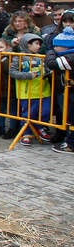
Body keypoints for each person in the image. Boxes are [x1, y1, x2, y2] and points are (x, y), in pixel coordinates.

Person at [9, 33, 52, 146]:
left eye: (39, 44)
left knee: (46, 111)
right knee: (28, 114)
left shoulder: (41, 57)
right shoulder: (19, 57)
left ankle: (39, 126)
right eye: (36, 44)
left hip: (43, 90)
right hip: (27, 92)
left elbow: (47, 69)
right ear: (27, 44)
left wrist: (48, 73)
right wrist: (27, 75)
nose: (39, 46)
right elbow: (12, 72)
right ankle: (26, 134)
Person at [45, 26, 74, 154]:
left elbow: (52, 63)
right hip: (69, 90)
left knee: (72, 118)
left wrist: (50, 52)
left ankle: (71, 145)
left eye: (57, 46)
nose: (55, 48)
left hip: (72, 91)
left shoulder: (70, 57)